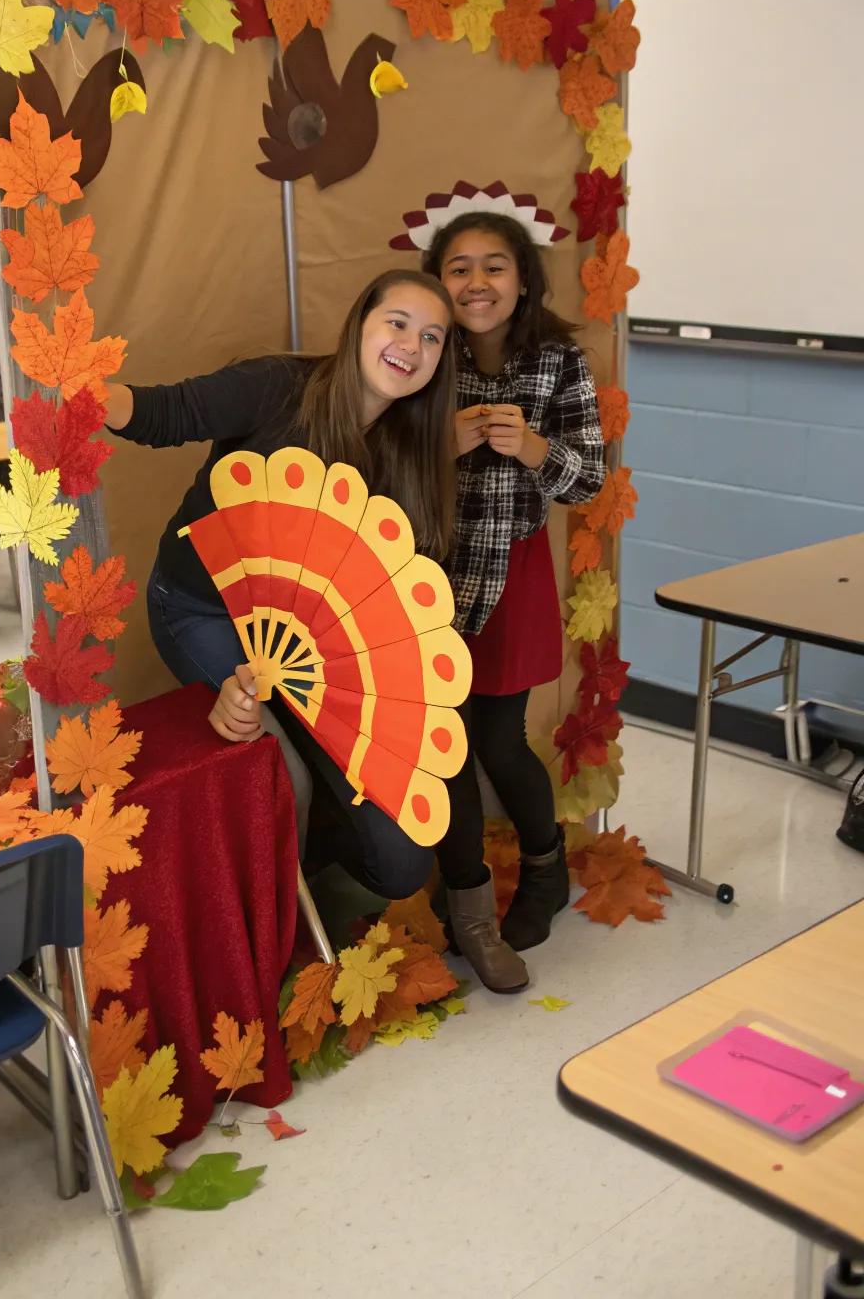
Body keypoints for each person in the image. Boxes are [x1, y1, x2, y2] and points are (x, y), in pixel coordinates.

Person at [104, 269, 457, 902]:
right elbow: (165, 412)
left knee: (402, 864)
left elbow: (386, 601)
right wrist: (80, 393)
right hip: (201, 609)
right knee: (282, 773)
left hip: (312, 652)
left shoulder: (408, 453)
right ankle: (267, 929)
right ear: (360, 325)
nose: (412, 345)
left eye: (432, 337)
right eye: (397, 323)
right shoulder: (278, 387)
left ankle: (293, 860)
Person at [422, 210, 606, 992]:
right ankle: (463, 900)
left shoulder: (560, 361)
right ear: (438, 282)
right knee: (445, 745)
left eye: (493, 266)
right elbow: (369, 451)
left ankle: (544, 871)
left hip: (512, 569)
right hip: (428, 573)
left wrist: (531, 446)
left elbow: (589, 478)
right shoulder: (422, 350)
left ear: (523, 278)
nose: (476, 283)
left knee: (498, 738)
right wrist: (442, 444)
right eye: (458, 267)